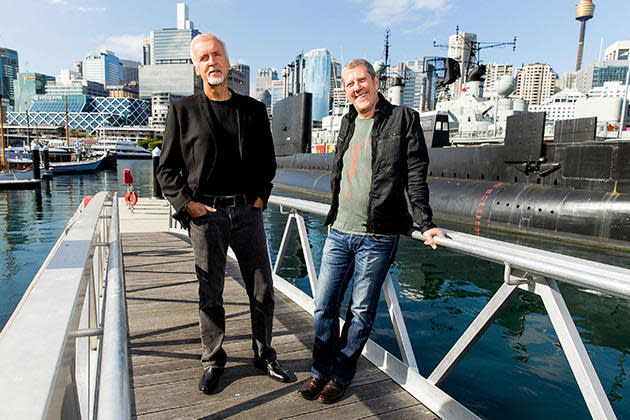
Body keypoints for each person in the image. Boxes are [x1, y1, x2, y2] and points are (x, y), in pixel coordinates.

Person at [297, 59, 445, 403]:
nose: (356, 88)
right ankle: (320, 371)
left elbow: (415, 174)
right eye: (349, 84)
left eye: (362, 81)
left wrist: (425, 222)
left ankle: (341, 374)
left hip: (377, 236)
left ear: (375, 82)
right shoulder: (347, 122)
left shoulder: (402, 119)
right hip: (339, 230)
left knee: (361, 311)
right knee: (323, 307)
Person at [156, 33, 289, 395]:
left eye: (217, 55)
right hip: (206, 215)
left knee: (262, 289)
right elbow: (166, 170)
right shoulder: (181, 111)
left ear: (228, 62)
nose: (211, 62)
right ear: (197, 67)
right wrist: (188, 205)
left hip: (247, 212)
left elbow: (268, 162)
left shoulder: (254, 109)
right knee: (210, 293)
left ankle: (264, 354)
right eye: (203, 58)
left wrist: (261, 197)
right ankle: (213, 360)